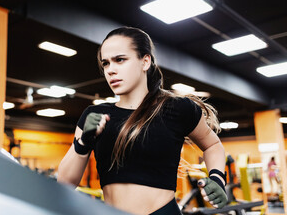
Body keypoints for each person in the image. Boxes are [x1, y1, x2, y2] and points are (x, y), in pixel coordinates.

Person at [58, 27, 227, 215]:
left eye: (120, 60)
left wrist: (218, 178)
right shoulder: (95, 115)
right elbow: (65, 183)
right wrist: (82, 144)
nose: (111, 70)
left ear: (145, 61)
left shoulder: (176, 108)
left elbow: (213, 145)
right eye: (105, 63)